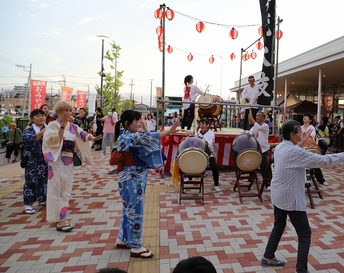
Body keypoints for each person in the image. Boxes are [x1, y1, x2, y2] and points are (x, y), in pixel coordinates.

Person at [261, 120, 344, 272]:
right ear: (292, 135)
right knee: (305, 234)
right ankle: (301, 270)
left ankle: (268, 256)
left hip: (279, 194)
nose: (300, 135)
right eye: (298, 134)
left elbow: (295, 152)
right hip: (291, 197)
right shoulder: (295, 151)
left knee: (279, 225)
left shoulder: (281, 147)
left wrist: (301, 141)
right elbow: (323, 161)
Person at [113, 110, 179, 258]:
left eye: (139, 120)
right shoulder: (129, 137)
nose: (139, 122)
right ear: (126, 124)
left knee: (128, 208)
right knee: (135, 210)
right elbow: (147, 139)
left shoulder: (127, 136)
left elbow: (147, 139)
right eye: (136, 121)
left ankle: (123, 238)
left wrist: (147, 128)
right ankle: (136, 246)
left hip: (129, 176)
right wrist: (168, 132)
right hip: (132, 177)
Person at [42, 101, 100, 231]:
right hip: (56, 161)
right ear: (59, 112)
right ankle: (59, 219)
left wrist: (92, 138)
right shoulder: (53, 125)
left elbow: (82, 134)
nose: (69, 113)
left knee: (66, 189)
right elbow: (54, 142)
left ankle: (61, 217)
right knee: (57, 189)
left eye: (70, 110)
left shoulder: (73, 126)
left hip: (68, 161)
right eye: (66, 111)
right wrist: (62, 127)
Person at [22, 109, 48, 214]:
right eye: (38, 116)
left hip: (46, 160)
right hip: (32, 161)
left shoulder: (49, 128)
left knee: (45, 180)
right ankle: (28, 204)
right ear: (32, 119)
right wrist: (42, 133)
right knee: (31, 181)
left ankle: (43, 199)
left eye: (43, 115)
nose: (41, 117)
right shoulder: (29, 130)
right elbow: (28, 141)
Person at [185, 119, 222, 192]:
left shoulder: (211, 133)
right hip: (199, 153)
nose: (201, 126)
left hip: (209, 153)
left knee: (214, 167)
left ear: (207, 125)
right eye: (200, 124)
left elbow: (211, 143)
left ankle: (216, 185)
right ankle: (189, 177)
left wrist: (203, 143)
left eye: (203, 124)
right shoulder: (197, 133)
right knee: (192, 163)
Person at [301, 114, 329, 186]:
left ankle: (321, 180)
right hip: (302, 148)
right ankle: (305, 180)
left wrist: (305, 134)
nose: (305, 117)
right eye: (304, 117)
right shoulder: (300, 127)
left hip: (310, 148)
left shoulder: (311, 127)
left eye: (306, 117)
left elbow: (312, 135)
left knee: (315, 163)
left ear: (310, 120)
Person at [248, 111, 270, 190]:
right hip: (256, 148)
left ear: (263, 118)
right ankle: (250, 178)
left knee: (263, 166)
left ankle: (267, 183)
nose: (257, 117)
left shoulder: (265, 126)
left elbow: (259, 128)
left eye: (258, 116)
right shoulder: (254, 127)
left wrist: (252, 119)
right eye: (256, 116)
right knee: (251, 164)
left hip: (263, 148)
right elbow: (250, 134)